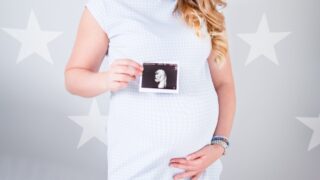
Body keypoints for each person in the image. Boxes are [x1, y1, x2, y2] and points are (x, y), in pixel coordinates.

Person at [64, 0, 236, 179]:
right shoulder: (107, 6)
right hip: (137, 166)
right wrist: (106, 79)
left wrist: (219, 145)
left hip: (197, 168)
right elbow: (73, 78)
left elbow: (224, 84)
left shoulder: (204, 5)